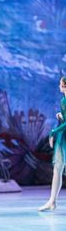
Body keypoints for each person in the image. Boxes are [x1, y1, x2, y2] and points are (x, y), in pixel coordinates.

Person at [38, 76, 66, 211]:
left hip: (63, 137)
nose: (59, 86)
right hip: (63, 137)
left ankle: (52, 201)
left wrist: (54, 131)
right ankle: (52, 201)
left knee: (58, 168)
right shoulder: (63, 101)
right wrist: (61, 115)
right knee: (58, 168)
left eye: (60, 84)